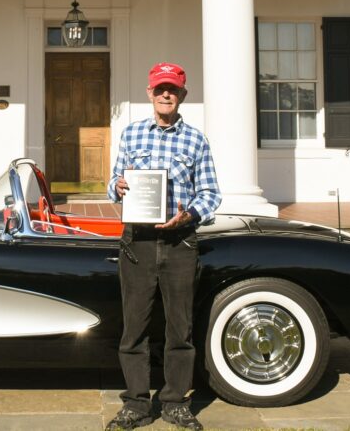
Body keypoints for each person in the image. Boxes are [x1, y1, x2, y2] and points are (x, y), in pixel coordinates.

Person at [105, 62, 221, 431]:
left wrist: (188, 216)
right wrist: (118, 188)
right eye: (160, 89)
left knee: (180, 329)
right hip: (137, 241)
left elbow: (211, 194)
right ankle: (136, 404)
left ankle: (174, 402)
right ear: (149, 94)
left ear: (182, 95)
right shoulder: (131, 134)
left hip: (179, 241)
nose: (166, 94)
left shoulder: (196, 140)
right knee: (134, 328)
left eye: (172, 89)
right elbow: (114, 182)